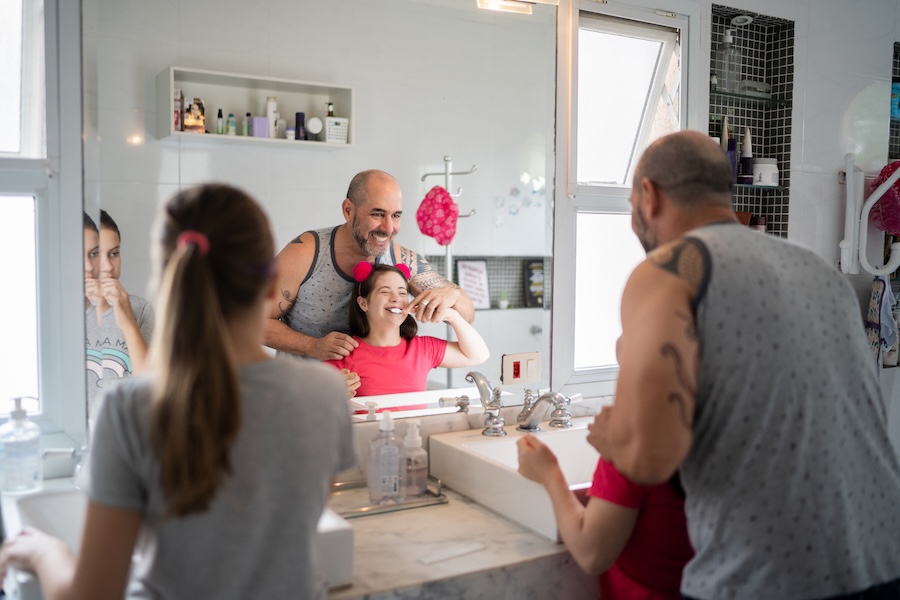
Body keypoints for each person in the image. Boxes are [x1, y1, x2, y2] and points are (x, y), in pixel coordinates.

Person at [587, 130, 900, 599]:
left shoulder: (669, 269)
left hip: (768, 581)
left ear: (647, 197)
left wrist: (614, 440)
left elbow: (651, 459)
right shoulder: (818, 270)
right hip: (884, 561)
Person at [1, 185, 354, 599]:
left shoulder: (130, 407)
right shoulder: (326, 394)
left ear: (166, 281)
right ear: (273, 285)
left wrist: (47, 552)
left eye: (112, 253)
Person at [265, 169, 475, 363]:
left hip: (372, 397)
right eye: (377, 214)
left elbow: (467, 316)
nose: (388, 228)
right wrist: (311, 345)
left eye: (396, 216)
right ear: (348, 210)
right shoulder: (305, 252)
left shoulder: (403, 260)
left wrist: (453, 294)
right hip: (303, 393)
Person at [517, 426, 692, 598]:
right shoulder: (702, 439)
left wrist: (549, 473)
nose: (605, 409)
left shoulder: (629, 454)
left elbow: (590, 554)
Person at [326, 262, 489, 397]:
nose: (396, 298)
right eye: (385, 291)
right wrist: (331, 395)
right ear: (363, 303)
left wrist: (453, 316)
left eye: (402, 293)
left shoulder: (423, 349)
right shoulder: (342, 353)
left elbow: (479, 356)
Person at [84, 210, 155, 420]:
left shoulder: (140, 309)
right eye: (96, 254)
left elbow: (150, 387)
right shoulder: (63, 312)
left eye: (114, 253)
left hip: (129, 434)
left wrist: (127, 321)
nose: (107, 267)